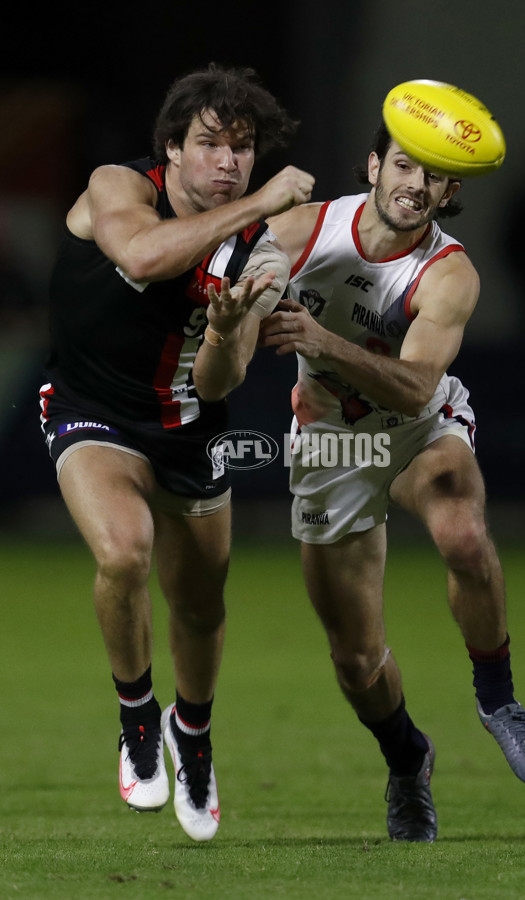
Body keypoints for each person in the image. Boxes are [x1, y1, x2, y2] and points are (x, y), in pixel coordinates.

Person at [262, 118, 525, 843]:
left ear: (451, 190)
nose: (415, 185)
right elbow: (226, 290)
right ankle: (407, 761)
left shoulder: (450, 272)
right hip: (330, 443)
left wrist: (319, 339)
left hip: (416, 426)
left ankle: (499, 700)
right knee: (355, 657)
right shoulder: (304, 230)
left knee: (461, 529)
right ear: (372, 165)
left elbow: (416, 387)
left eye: (432, 176)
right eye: (403, 165)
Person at [39, 63, 314, 842]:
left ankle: (190, 731)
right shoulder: (117, 187)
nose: (228, 162)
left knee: (200, 603)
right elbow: (142, 258)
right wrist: (264, 203)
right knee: (124, 553)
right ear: (171, 148)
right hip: (91, 409)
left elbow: (220, 375)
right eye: (210, 144)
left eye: (244, 148)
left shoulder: (260, 256)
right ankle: (136, 718)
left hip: (189, 425)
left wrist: (230, 330)